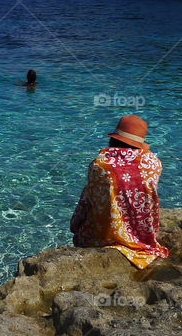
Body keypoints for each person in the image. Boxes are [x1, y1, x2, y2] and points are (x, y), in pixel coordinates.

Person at [69, 115, 169, 269]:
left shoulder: (100, 164)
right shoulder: (153, 163)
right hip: (143, 237)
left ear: (113, 139)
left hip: (103, 237)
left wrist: (75, 225)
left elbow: (87, 200)